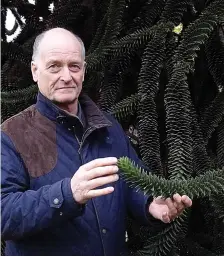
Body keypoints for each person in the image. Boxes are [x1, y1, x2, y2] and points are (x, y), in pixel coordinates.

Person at [1, 27, 192, 256]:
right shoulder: (11, 135)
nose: (66, 76)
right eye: (54, 66)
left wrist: (150, 203)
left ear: (83, 70)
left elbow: (131, 181)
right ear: (35, 71)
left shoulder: (107, 127)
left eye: (74, 66)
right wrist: (67, 194)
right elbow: (4, 214)